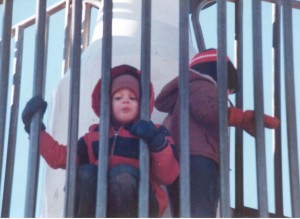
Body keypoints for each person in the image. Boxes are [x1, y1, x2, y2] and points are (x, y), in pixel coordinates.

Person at [22, 64, 179, 217]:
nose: (125, 101)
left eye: (133, 97)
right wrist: (36, 130)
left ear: (142, 104)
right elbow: (60, 157)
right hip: (101, 205)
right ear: (108, 104)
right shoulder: (93, 138)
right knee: (85, 172)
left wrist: (157, 142)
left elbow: (167, 176)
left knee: (122, 175)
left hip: (139, 204)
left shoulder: (154, 132)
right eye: (118, 97)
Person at [154, 49, 279, 217]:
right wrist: (241, 117)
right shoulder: (204, 85)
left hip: (181, 160)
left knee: (185, 209)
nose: (227, 94)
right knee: (202, 209)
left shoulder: (184, 95)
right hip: (199, 158)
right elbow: (207, 111)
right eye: (229, 88)